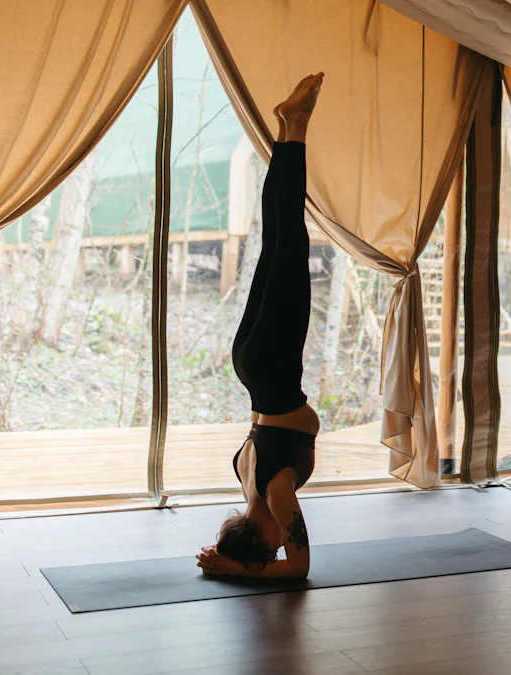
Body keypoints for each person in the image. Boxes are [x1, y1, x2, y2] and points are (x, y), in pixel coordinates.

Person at [196, 72, 324, 580]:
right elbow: (271, 550)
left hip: (272, 367)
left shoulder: (275, 494)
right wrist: (228, 554)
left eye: (267, 550)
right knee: (278, 239)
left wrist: (235, 570)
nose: (279, 548)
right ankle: (288, 128)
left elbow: (300, 569)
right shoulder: (246, 481)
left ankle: (296, 127)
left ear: (261, 537)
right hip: (250, 368)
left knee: (289, 237)